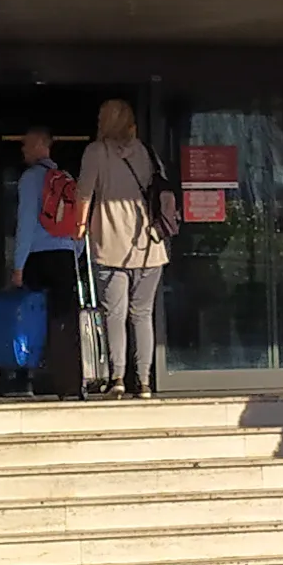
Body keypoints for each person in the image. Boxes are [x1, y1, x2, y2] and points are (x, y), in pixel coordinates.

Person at [80, 97, 175, 402]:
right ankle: (144, 381)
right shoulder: (147, 152)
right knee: (142, 315)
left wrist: (78, 229)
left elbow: (84, 195)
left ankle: (118, 378)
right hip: (150, 246)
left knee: (115, 314)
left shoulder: (96, 152)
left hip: (111, 246)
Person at [6, 125, 85, 399]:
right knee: (63, 320)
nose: (23, 150)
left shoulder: (30, 179)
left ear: (42, 144)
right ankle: (68, 382)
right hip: (65, 256)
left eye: (27, 144)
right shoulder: (66, 178)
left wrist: (18, 266)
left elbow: (26, 223)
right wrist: (75, 253)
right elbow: (79, 223)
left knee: (33, 318)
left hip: (38, 258)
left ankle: (31, 377)